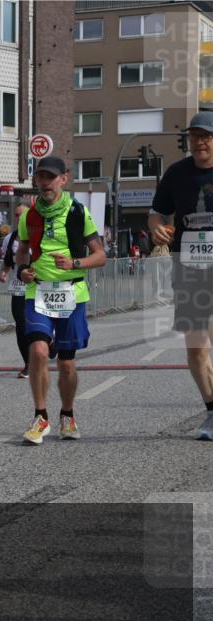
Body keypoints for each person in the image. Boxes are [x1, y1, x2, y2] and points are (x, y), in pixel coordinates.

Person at [14, 157, 107, 445]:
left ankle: (67, 414)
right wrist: (22, 270)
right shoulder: (28, 216)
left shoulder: (79, 212)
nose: (45, 183)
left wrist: (74, 263)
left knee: (67, 363)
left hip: (71, 292)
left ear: (63, 179)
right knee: (38, 351)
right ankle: (40, 417)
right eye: (41, 177)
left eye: (50, 177)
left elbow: (100, 256)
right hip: (38, 291)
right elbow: (22, 251)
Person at [148, 111, 213, 440]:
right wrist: (157, 229)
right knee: (196, 348)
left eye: (206, 136)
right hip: (189, 269)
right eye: (194, 136)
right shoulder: (177, 173)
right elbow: (156, 213)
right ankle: (211, 409)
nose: (199, 142)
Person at [0, 203, 31, 378]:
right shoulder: (9, 238)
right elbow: (7, 260)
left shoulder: (39, 236)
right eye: (17, 215)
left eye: (23, 214)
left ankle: (51, 341)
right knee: (21, 325)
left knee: (37, 323)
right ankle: (28, 363)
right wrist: (4, 272)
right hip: (18, 286)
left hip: (38, 286)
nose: (19, 218)